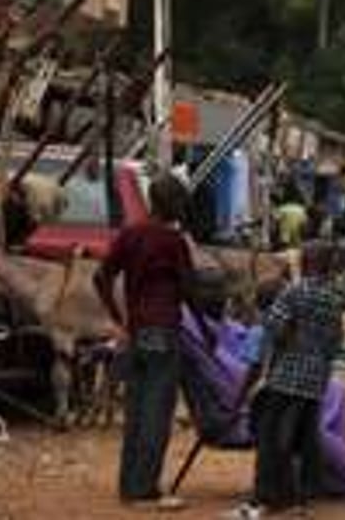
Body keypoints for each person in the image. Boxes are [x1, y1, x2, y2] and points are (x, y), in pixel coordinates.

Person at [94, 174, 196, 506]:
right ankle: (145, 491)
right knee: (157, 413)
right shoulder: (173, 241)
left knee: (136, 412)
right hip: (164, 332)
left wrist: (117, 319)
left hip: (136, 332)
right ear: (174, 204)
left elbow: (102, 276)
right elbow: (189, 289)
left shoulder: (131, 234)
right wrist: (209, 332)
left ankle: (129, 487)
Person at [247, 241, 345, 513]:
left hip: (286, 377)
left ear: (305, 264)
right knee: (303, 439)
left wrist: (289, 336)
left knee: (273, 437)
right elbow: (336, 343)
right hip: (315, 381)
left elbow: (273, 326)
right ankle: (301, 496)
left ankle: (269, 495)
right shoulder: (334, 298)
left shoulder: (295, 292)